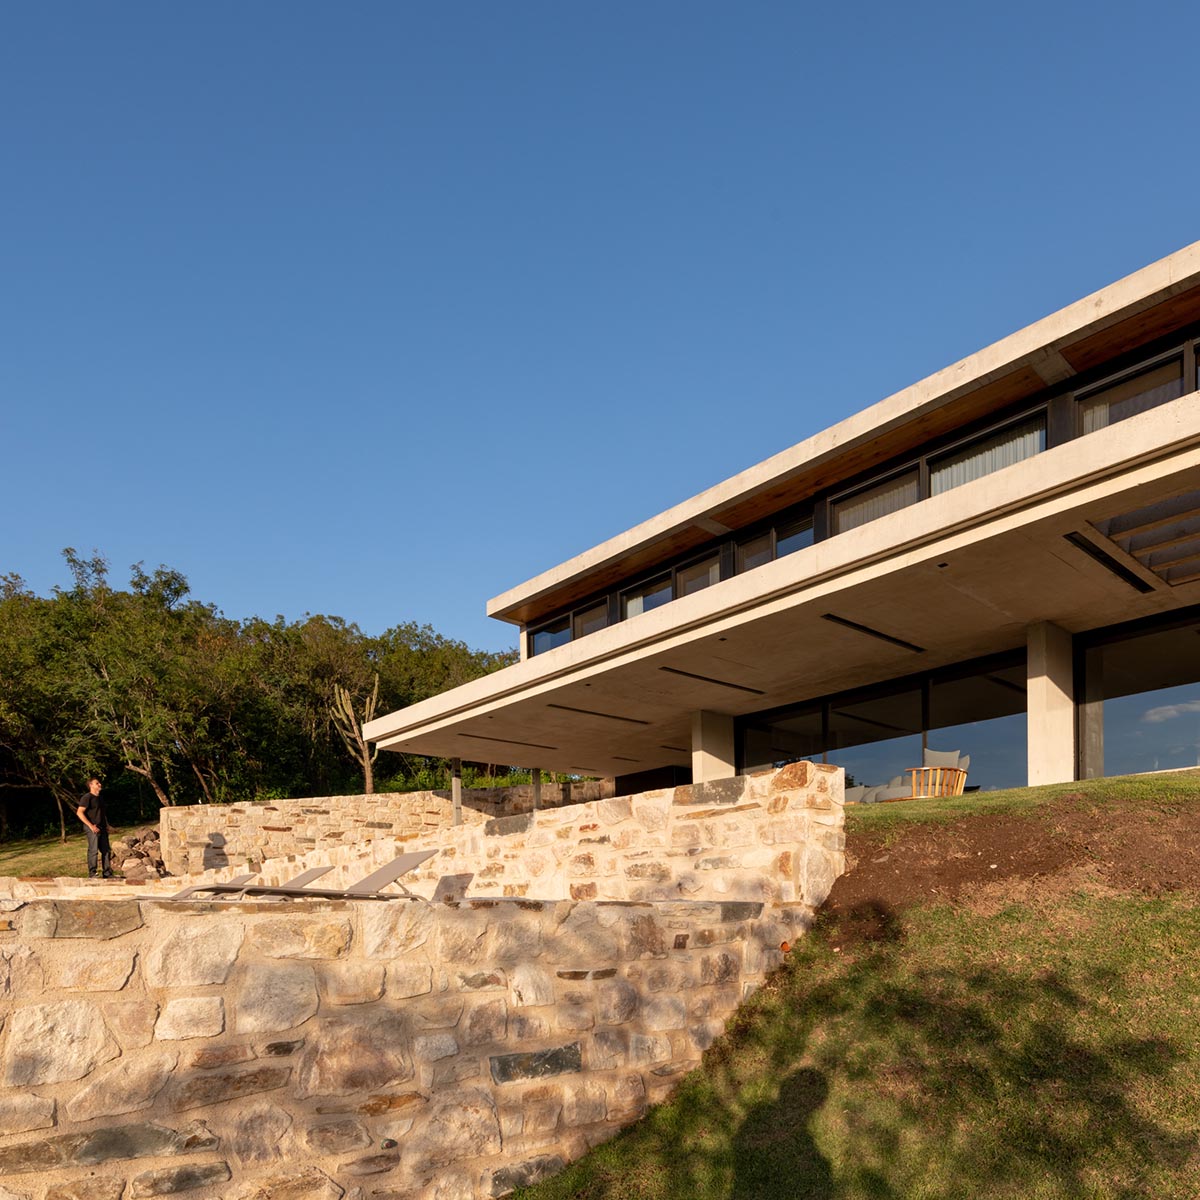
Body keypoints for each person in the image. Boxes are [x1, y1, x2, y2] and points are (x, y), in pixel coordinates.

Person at [76, 777, 114, 879]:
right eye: (97, 783)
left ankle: (107, 873)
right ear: (91, 785)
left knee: (106, 850)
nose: (100, 784)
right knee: (93, 850)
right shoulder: (87, 797)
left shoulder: (100, 798)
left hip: (102, 827)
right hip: (92, 827)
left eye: (99, 783)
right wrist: (91, 826)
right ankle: (92, 873)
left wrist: (107, 825)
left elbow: (101, 814)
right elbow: (79, 812)